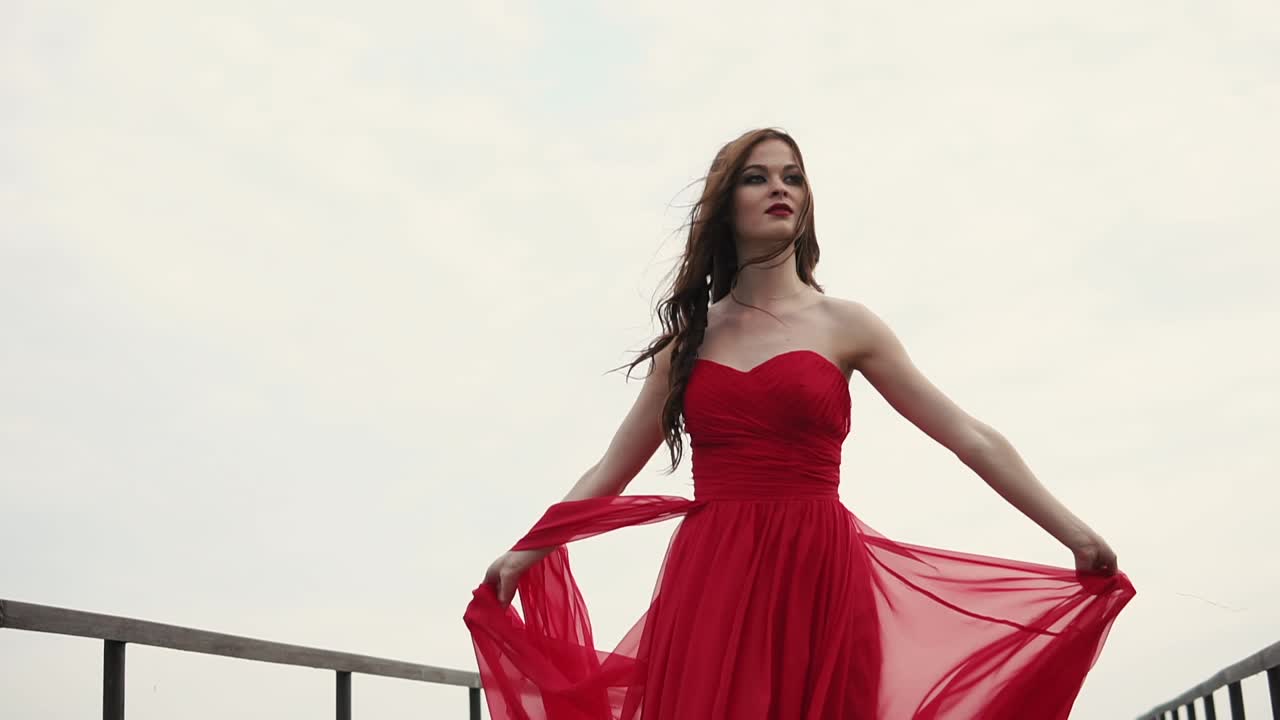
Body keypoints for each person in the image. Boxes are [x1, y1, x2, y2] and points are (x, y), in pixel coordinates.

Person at [464, 127, 1135, 720]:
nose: (779, 188)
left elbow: (969, 435)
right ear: (726, 206)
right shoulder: (689, 343)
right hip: (713, 578)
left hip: (820, 574)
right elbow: (612, 467)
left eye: (793, 177)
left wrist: (1072, 531)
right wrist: (528, 551)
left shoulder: (847, 326)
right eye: (757, 177)